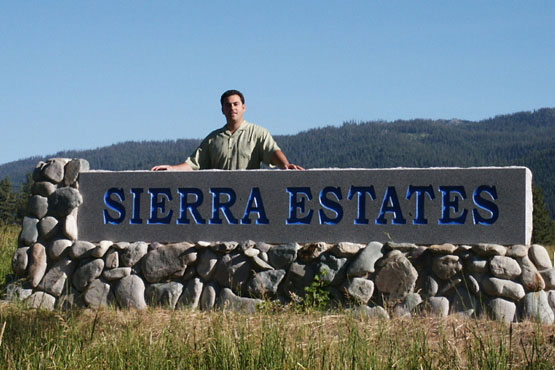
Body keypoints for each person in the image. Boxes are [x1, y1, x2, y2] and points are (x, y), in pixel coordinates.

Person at [151, 90, 304, 171]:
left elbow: (273, 152)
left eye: (236, 104)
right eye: (228, 105)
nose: (232, 108)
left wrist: (285, 165)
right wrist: (172, 168)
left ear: (243, 107)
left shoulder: (258, 133)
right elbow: (193, 164)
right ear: (222, 110)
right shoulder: (213, 138)